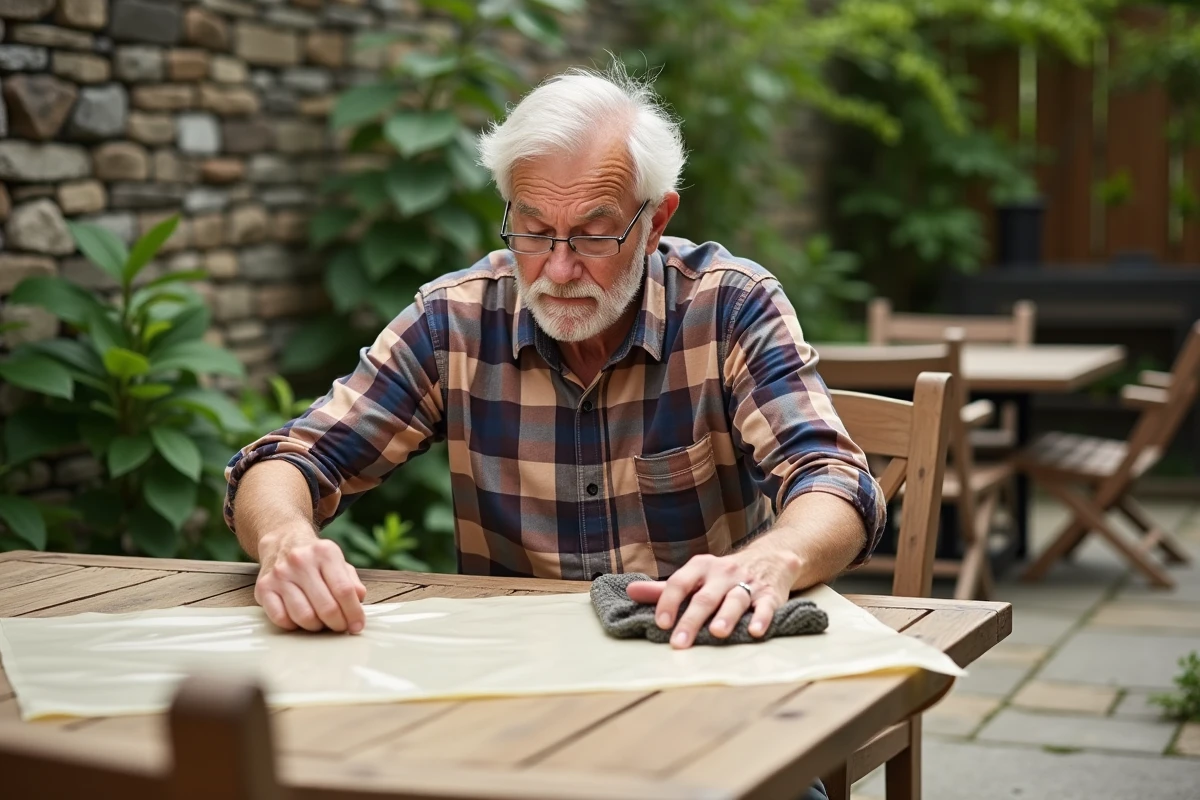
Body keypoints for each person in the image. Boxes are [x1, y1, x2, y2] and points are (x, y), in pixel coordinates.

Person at [224, 65, 885, 652]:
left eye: (594, 234)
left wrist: (771, 560)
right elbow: (287, 460)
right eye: (534, 232)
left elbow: (833, 479)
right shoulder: (453, 320)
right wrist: (287, 540)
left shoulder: (728, 307)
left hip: (695, 655)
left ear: (655, 222)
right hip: (517, 676)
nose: (559, 269)